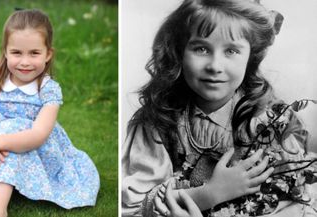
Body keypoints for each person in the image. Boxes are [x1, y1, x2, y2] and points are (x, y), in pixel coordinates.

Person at [122, 0, 314, 216]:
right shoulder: (158, 122)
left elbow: (299, 199)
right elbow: (133, 208)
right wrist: (210, 194)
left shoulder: (270, 120)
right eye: (201, 48)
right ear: (179, 51)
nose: (215, 66)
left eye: (231, 51)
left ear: (250, 56)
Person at [0, 9, 100, 217]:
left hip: (30, 146)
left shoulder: (48, 89)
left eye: (34, 53)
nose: (24, 62)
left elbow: (38, 134)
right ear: (5, 51)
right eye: (17, 53)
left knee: (13, 126)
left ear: (48, 54)